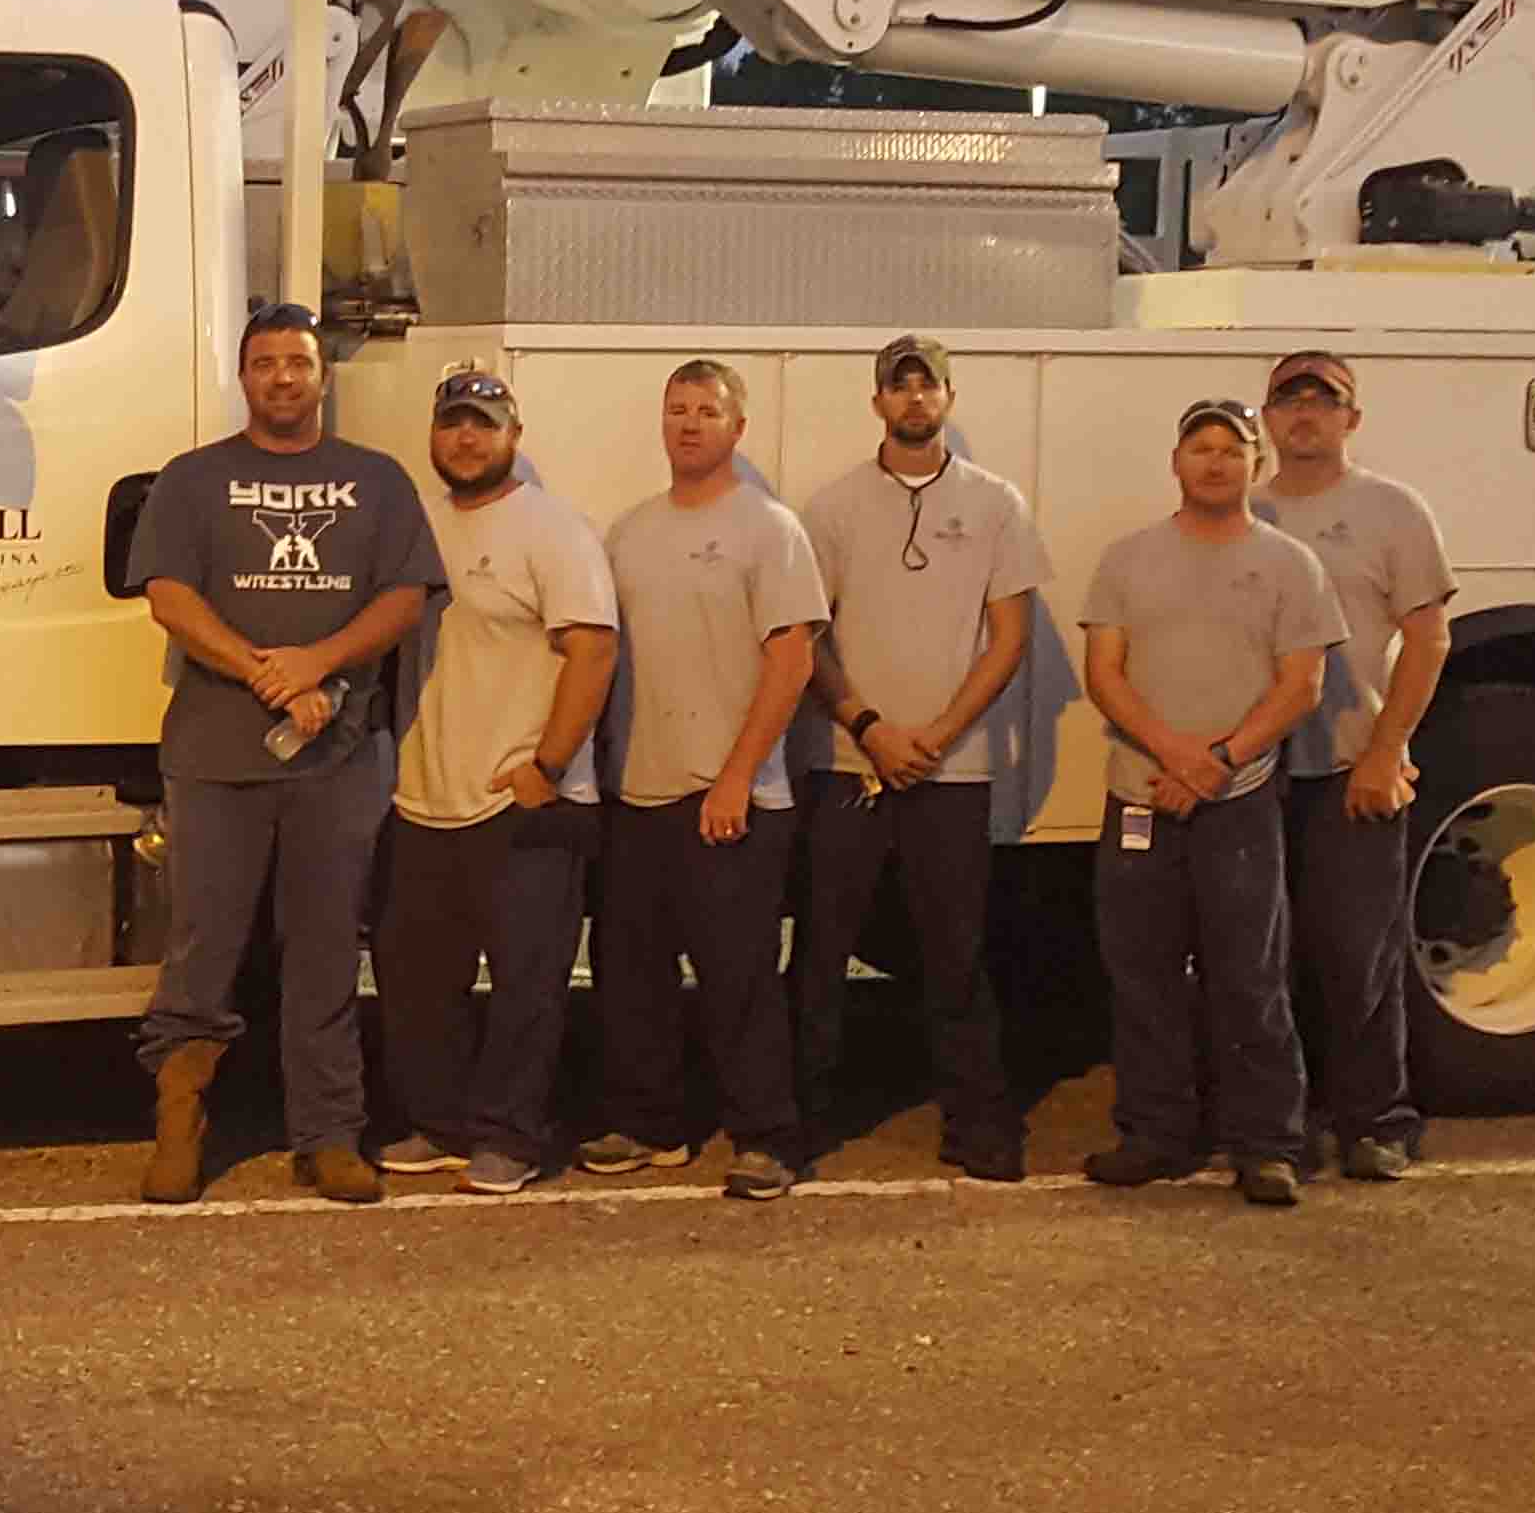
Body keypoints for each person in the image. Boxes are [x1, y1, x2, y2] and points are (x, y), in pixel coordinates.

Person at [125, 301, 439, 1205]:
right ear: (244, 376)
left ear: (321, 375)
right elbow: (171, 597)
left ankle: (329, 1136)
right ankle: (180, 1123)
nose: (282, 378)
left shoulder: (376, 482)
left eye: (297, 362)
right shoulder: (193, 479)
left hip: (336, 758)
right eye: (265, 363)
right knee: (203, 945)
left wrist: (318, 664)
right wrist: (269, 675)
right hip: (217, 756)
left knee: (326, 949)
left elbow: (405, 598)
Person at [791, 334, 1053, 1182]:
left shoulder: (995, 503)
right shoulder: (830, 509)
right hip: (847, 765)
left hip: (955, 773)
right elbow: (807, 637)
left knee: (956, 955)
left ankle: (979, 1125)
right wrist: (869, 727)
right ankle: (796, 1127)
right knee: (822, 953)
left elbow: (1009, 637)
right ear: (876, 403)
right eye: (897, 388)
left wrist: (937, 735)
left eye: (926, 386)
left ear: (948, 397)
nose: (912, 400)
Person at [1075, 398, 1342, 1211]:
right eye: (1201, 447)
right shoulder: (1127, 561)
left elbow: (1303, 685)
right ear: (1177, 462)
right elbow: (1105, 674)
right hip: (1142, 793)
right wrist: (1176, 754)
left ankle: (1266, 1144)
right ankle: (1155, 1135)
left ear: (1255, 465)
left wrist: (1219, 760)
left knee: (1249, 975)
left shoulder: (1292, 565)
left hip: (1240, 797)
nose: (1217, 462)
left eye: (1233, 449)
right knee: (1143, 972)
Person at [584, 359, 831, 1196]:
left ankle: (769, 1137)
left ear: (738, 429)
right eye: (677, 410)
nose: (690, 424)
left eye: (708, 411)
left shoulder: (770, 529)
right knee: (630, 972)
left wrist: (736, 777)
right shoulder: (628, 532)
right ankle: (648, 1124)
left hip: (732, 798)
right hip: (639, 790)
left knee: (738, 979)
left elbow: (792, 661)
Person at [371, 366, 612, 1197]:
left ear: (513, 434)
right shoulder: (412, 526)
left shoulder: (554, 530)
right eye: (453, 425)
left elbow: (594, 650)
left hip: (518, 800)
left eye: (483, 424)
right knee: (415, 979)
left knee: (526, 986)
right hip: (422, 795)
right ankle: (440, 1124)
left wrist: (546, 765)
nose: (466, 439)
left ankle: (513, 1136)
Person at [1256, 348, 1457, 1181]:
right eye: (1288, 399)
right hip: (1254, 774)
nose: (1305, 413)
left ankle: (1377, 1120)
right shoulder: (1243, 511)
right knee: (1266, 957)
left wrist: (1386, 751)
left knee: (1357, 952)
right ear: (1265, 417)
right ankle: (1286, 1126)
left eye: (1324, 400)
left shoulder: (1392, 511)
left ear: (1352, 418)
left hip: (1349, 768)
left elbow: (1429, 637)